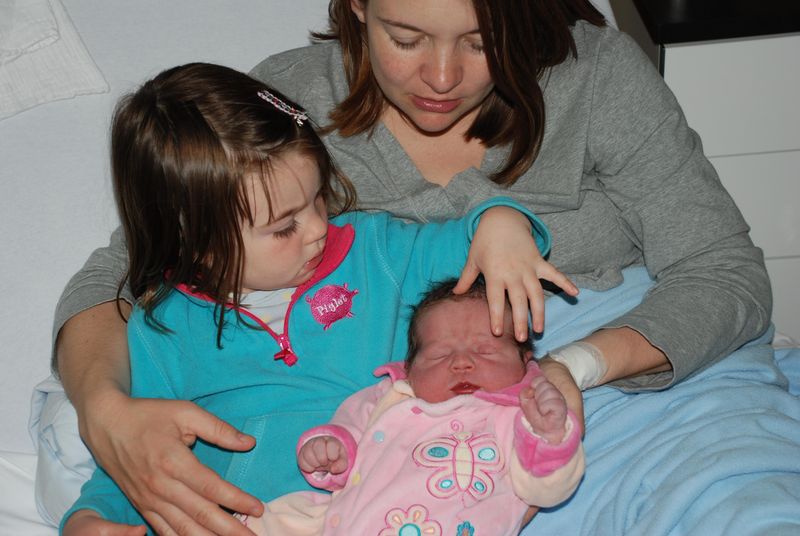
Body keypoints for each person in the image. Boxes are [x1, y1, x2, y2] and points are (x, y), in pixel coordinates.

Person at [47, 0, 771, 534]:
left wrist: (571, 365)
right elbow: (124, 275)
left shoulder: (597, 79)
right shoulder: (287, 106)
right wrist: (105, 413)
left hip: (620, 371)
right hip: (397, 438)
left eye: (482, 41)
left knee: (735, 507)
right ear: (357, 8)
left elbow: (725, 274)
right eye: (406, 37)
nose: (443, 76)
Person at [57, 62, 573, 535]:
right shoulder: (164, 331)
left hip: (400, 510)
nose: (318, 229)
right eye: (284, 227)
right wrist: (89, 518)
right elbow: (135, 458)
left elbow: (477, 244)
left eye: (317, 197)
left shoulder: (378, 253)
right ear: (197, 244)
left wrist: (503, 222)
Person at [236, 278, 584, 535]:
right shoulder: (393, 395)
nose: (461, 363)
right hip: (344, 520)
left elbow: (546, 490)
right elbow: (348, 427)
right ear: (409, 367)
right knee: (274, 518)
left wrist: (550, 436)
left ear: (525, 361)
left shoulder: (521, 415)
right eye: (439, 355)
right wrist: (332, 448)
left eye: (486, 351)